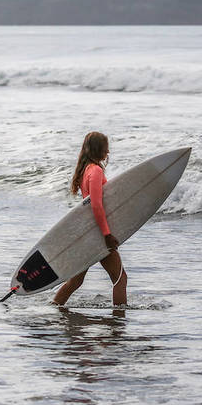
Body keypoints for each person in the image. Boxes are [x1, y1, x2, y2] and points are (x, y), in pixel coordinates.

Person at [52, 131, 128, 307]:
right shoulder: (95, 171)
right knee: (120, 279)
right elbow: (95, 205)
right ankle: (118, 322)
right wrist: (107, 234)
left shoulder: (85, 170)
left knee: (76, 281)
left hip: (88, 233)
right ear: (99, 149)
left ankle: (54, 307)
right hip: (98, 235)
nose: (108, 152)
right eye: (106, 148)